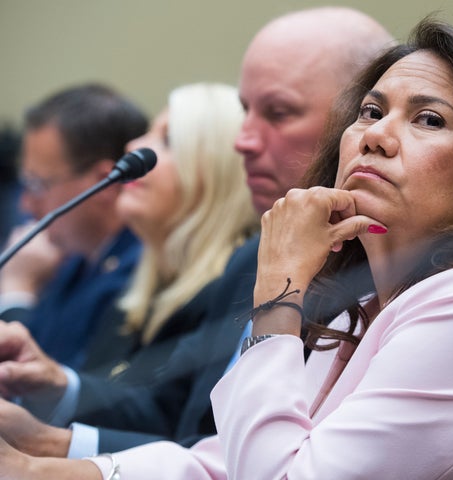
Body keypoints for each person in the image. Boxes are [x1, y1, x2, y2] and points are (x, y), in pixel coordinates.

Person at [0, 17, 453, 479]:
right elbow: (227, 461)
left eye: (428, 119)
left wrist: (278, 290)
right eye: (371, 111)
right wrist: (36, 467)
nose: (374, 135)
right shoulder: (360, 302)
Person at [0, 6, 395, 462]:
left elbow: (261, 462)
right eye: (245, 111)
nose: (242, 141)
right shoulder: (250, 259)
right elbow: (178, 413)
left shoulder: (383, 274)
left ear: (358, 123)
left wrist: (50, 449)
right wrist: (55, 400)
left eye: (279, 112)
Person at [0, 82, 257, 449]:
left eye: (167, 140)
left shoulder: (228, 292)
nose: (134, 147)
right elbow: (134, 405)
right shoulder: (142, 283)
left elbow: (176, 431)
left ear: (214, 172)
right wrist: (54, 384)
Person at [0, 84, 148, 369]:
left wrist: (17, 291)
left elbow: (48, 390)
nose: (26, 205)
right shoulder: (72, 259)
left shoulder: (136, 276)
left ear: (105, 182)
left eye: (38, 184)